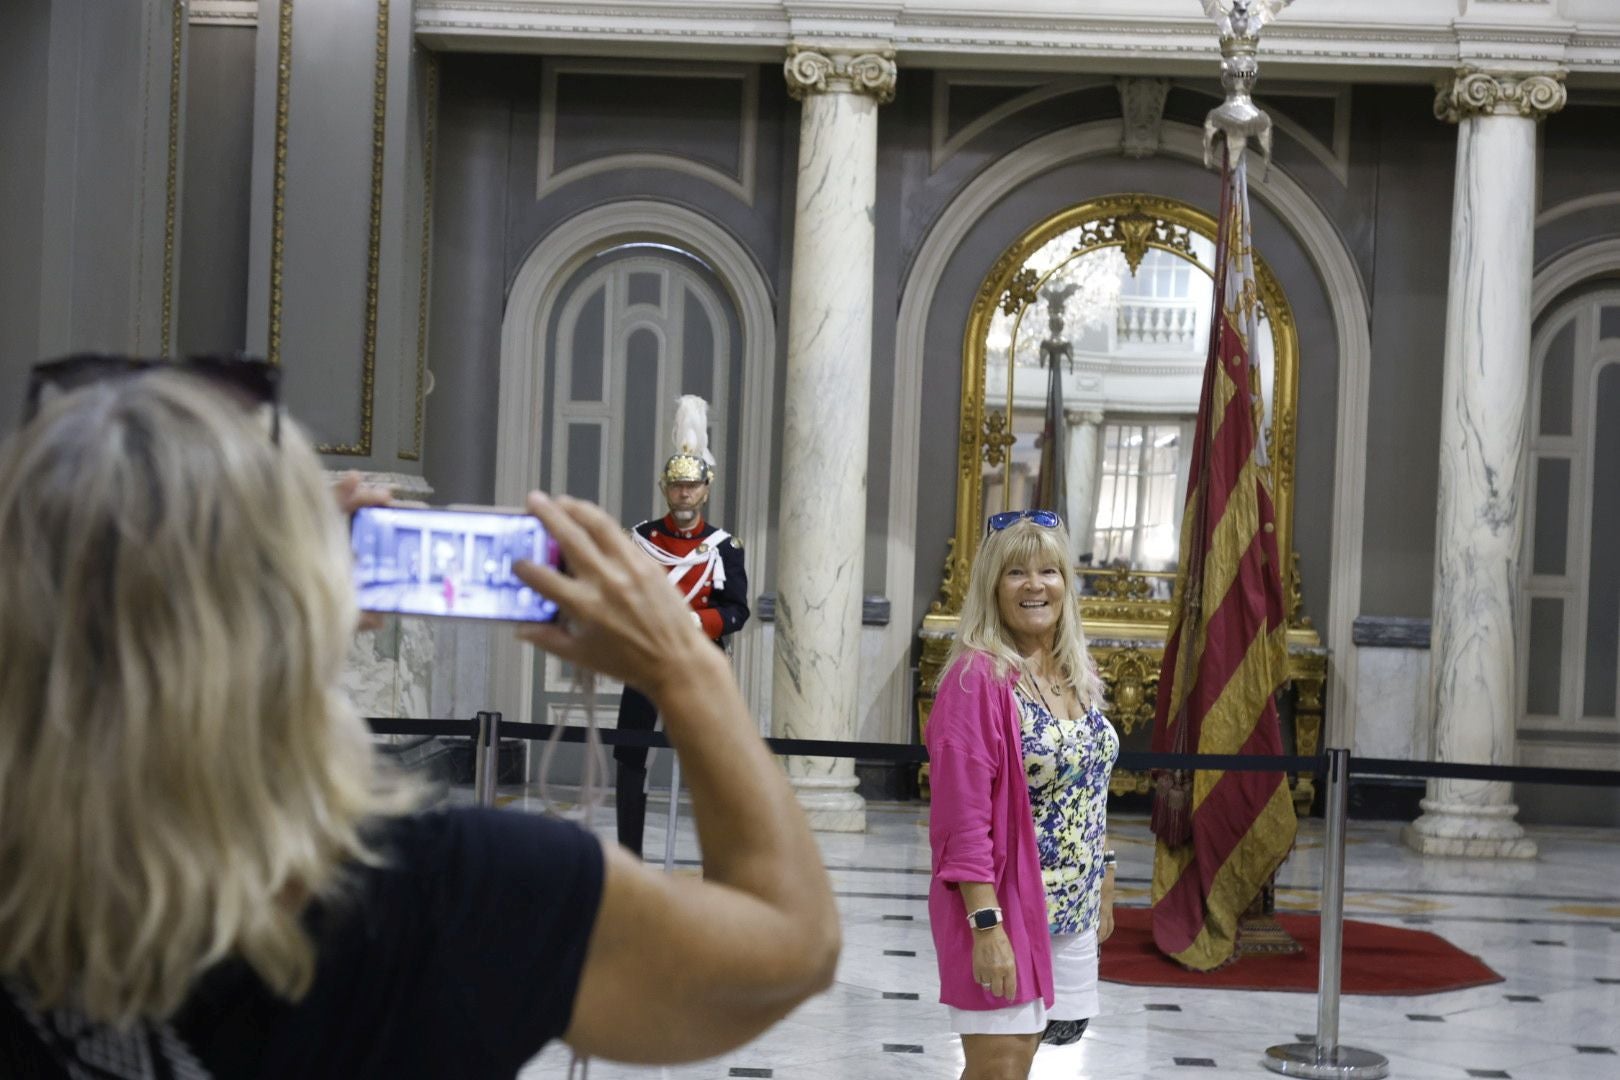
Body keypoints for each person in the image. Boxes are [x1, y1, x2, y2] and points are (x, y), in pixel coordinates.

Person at [0, 358, 837, 1078]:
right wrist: (684, 668)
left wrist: (277, 601)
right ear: (306, 612)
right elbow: (792, 946)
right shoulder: (457, 891)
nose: (684, 493)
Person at [925, 509, 1119, 1080]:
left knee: (1024, 1059)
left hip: (1073, 910)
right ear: (992, 587)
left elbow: (1088, 786)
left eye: (1048, 571)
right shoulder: (975, 680)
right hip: (1004, 908)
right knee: (999, 1068)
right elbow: (962, 824)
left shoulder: (1075, 672)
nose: (1035, 585)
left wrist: (1104, 872)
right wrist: (987, 929)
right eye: (1015, 573)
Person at [613, 394, 748, 858]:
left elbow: (736, 611)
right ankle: (629, 855)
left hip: (700, 659)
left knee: (712, 765)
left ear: (705, 489)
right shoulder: (641, 539)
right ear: (665, 489)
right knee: (630, 758)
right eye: (676, 487)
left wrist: (694, 621)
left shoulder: (722, 547)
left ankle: (717, 859)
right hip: (649, 661)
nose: (684, 494)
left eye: (692, 487)